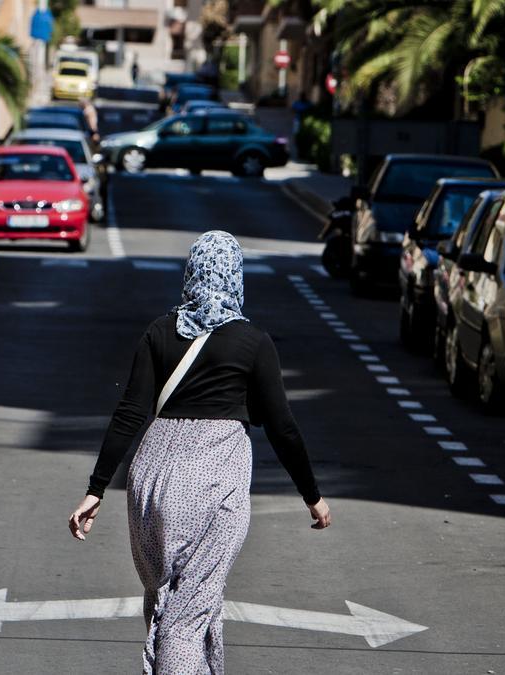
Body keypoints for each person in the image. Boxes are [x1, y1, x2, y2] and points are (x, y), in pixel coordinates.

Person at [67, 231, 331, 674]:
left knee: (166, 605)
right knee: (187, 617)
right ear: (235, 276)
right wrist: (312, 495)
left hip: (150, 481)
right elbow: (283, 428)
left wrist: (96, 490)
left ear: (191, 273)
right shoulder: (253, 343)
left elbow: (129, 414)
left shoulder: (159, 332)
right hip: (214, 477)